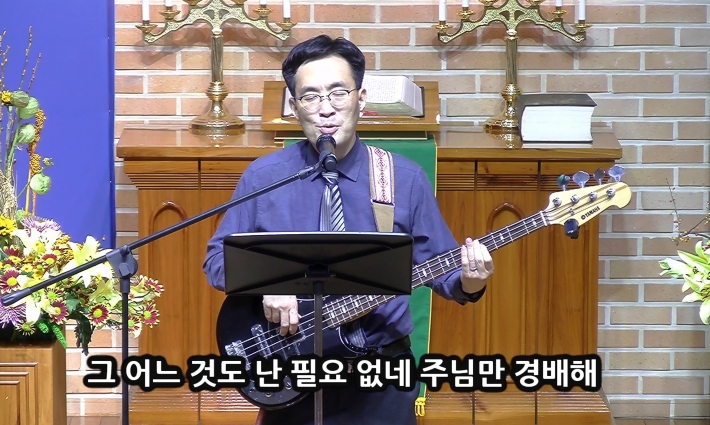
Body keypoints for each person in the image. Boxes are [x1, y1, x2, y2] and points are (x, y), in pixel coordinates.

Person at [202, 35, 494, 425]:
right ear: (294, 107)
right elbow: (217, 260)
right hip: (289, 361)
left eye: (339, 93)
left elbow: (444, 271)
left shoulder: (402, 178)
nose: (326, 108)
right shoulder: (265, 176)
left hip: (379, 374)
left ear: (361, 98)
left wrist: (472, 279)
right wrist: (266, 285)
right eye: (310, 97)